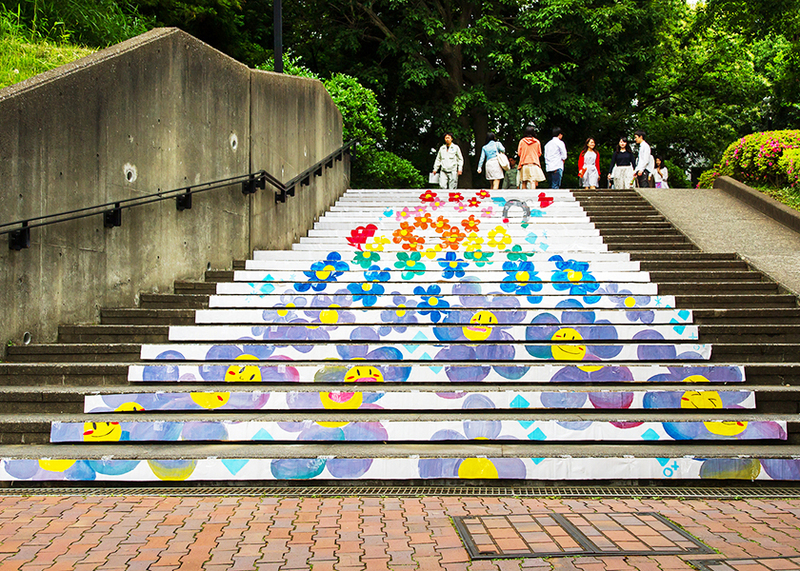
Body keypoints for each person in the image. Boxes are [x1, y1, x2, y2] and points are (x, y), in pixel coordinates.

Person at [517, 125, 545, 190]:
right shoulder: (537, 142)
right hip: (534, 163)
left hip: (524, 163)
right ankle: (532, 196)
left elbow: (519, 153)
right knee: (533, 181)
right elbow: (539, 153)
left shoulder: (522, 141)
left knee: (524, 181)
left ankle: (524, 197)